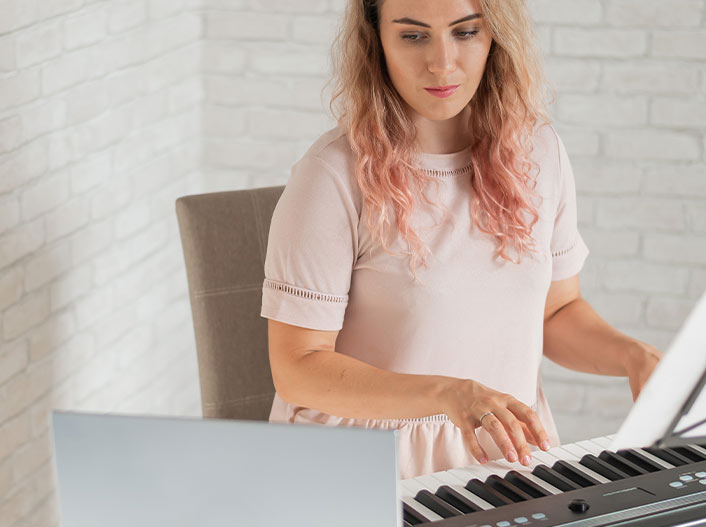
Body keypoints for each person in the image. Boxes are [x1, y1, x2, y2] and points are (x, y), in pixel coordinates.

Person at [260, 0, 662, 479]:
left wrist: (635, 357)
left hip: (505, 461)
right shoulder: (331, 175)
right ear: (377, 41)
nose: (443, 62)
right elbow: (297, 368)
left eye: (466, 32)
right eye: (413, 35)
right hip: (362, 469)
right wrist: (447, 395)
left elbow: (555, 312)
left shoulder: (539, 152)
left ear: (495, 35)